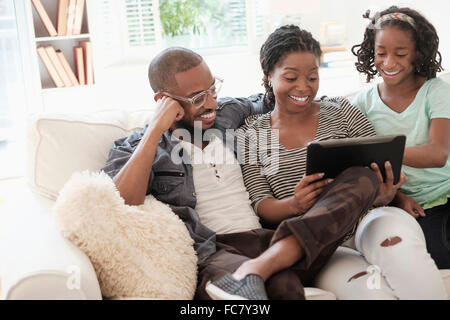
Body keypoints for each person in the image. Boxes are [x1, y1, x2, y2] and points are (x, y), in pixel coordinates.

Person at [102, 46, 382, 301]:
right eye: (197, 98)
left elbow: (281, 94)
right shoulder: (140, 147)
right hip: (217, 252)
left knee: (363, 178)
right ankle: (264, 269)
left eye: (213, 89)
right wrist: (155, 129)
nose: (211, 104)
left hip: (272, 239)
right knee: (280, 288)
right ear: (164, 100)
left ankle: (273, 259)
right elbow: (120, 200)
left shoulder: (229, 114)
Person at [234, 24, 447, 300]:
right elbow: (261, 203)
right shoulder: (251, 134)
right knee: (370, 293)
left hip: (371, 217)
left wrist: (389, 193)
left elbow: (380, 164)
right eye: (290, 77)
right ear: (268, 75)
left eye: (312, 77)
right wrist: (294, 204)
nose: (303, 87)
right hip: (321, 247)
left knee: (408, 265)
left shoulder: (341, 110)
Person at [352, 6, 450, 270]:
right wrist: (397, 198)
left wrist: (384, 150)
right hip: (404, 201)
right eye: (380, 53)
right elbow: (364, 166)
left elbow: (438, 154)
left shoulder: (436, 92)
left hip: (444, 194)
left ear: (418, 52)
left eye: (401, 53)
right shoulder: (362, 104)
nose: (389, 62)